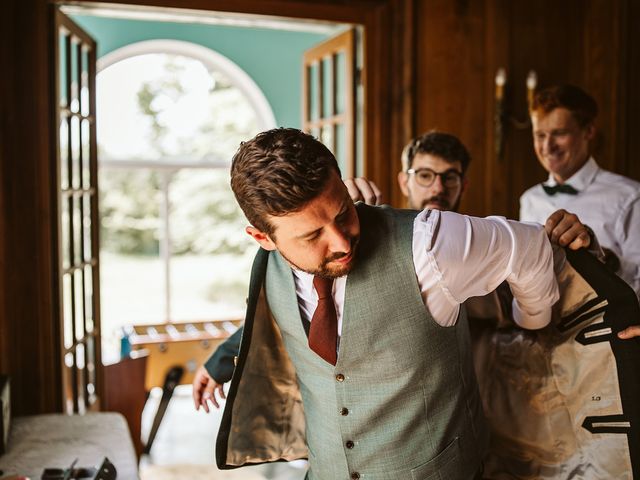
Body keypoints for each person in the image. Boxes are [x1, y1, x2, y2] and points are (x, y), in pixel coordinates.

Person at [193, 127, 559, 479]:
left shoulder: (429, 243)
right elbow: (270, 322)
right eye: (313, 235)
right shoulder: (268, 269)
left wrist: (531, 321)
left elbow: (529, 245)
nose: (340, 242)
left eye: (342, 214)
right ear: (263, 238)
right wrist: (221, 361)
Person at [520, 84, 640, 306]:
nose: (547, 146)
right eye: (540, 135)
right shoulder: (529, 199)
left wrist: (604, 259)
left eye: (559, 133)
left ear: (588, 131)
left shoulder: (630, 196)